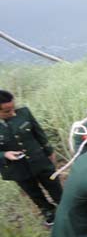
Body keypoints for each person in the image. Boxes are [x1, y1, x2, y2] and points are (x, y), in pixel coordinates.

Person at [0, 90, 63, 226]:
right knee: (33, 191)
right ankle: (48, 210)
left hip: (39, 159)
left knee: (54, 185)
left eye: (13, 108)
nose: (13, 113)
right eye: (7, 111)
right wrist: (4, 154)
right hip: (16, 167)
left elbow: (39, 133)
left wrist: (49, 152)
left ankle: (65, 206)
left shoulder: (24, 112)